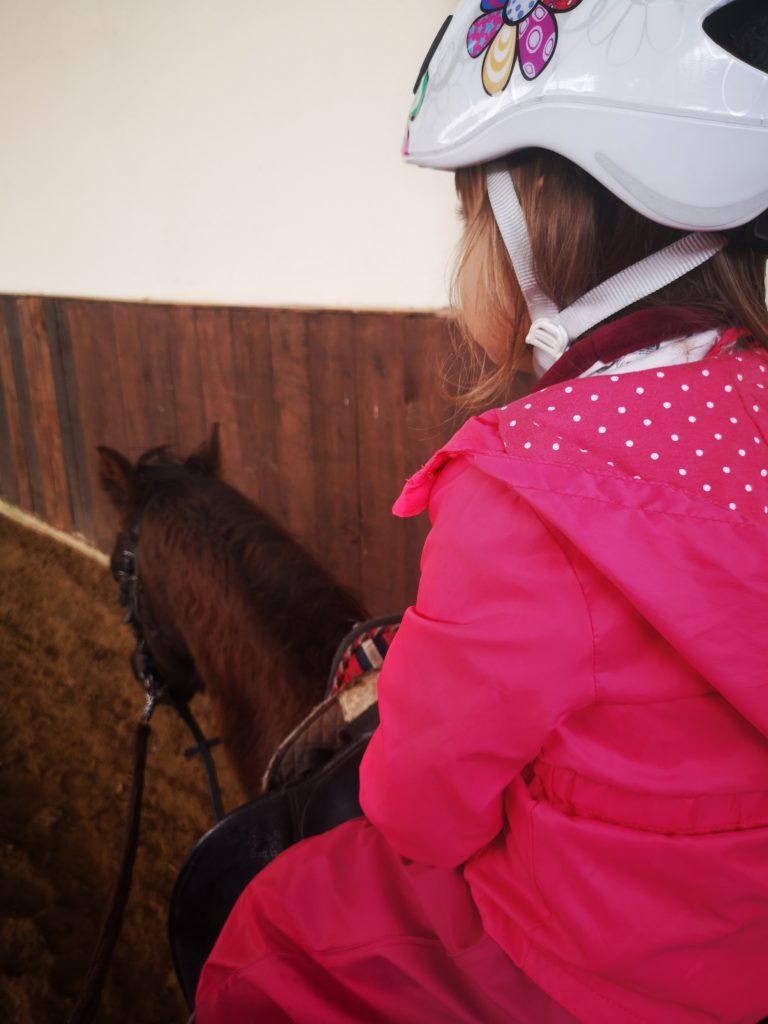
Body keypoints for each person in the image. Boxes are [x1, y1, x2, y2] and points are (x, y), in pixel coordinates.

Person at [196, 2, 768, 1021]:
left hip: (594, 964)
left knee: (253, 925)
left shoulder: (519, 487)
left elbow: (420, 807)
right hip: (740, 938)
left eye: (471, 223)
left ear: (544, 229)